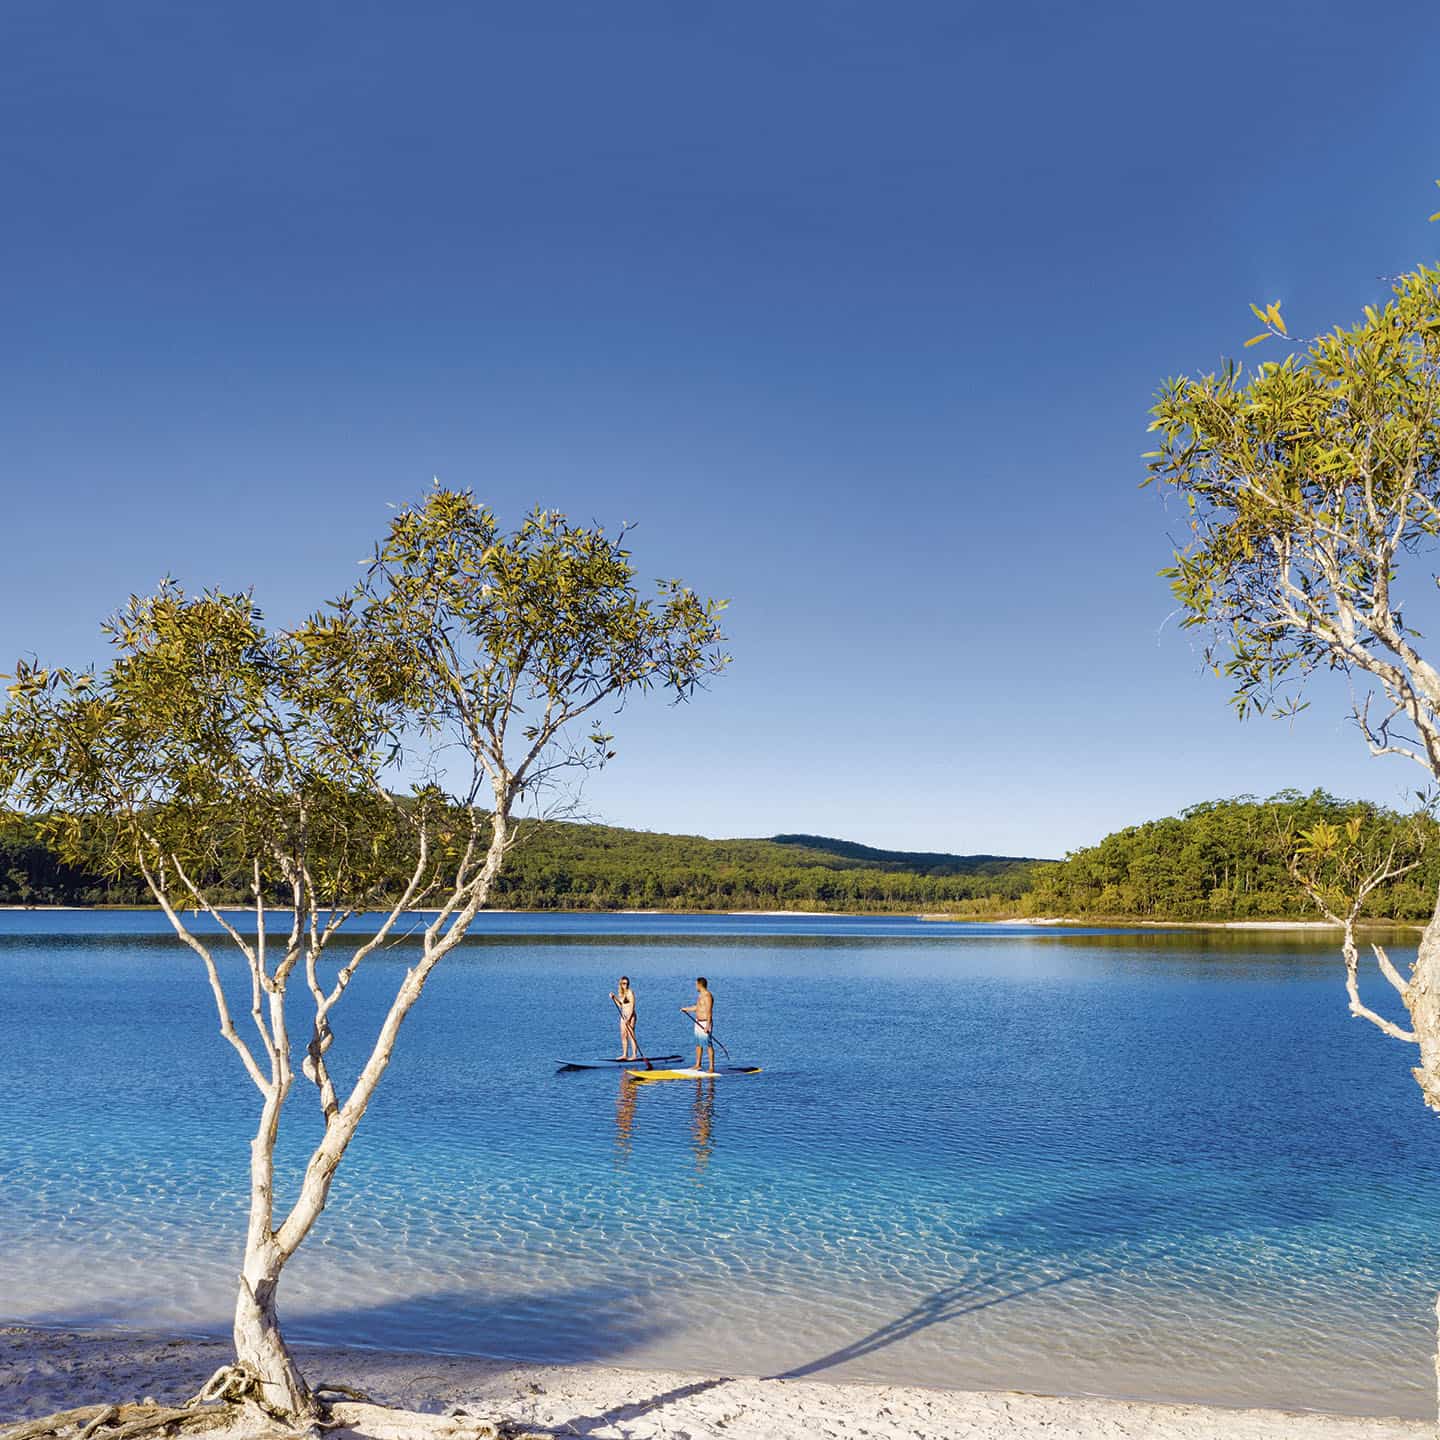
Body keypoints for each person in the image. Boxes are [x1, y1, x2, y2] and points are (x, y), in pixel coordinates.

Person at [681, 976, 715, 1072]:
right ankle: (698, 1064)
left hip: (705, 1023)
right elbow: (697, 1008)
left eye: (696, 984)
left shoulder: (707, 996)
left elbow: (709, 1011)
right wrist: (686, 1009)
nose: (695, 986)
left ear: (700, 985)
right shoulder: (700, 996)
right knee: (698, 1044)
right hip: (698, 1022)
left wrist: (707, 1025)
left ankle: (711, 1067)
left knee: (708, 1045)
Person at [609, 975, 639, 1060]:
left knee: (631, 1035)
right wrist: (614, 998)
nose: (626, 985)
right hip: (623, 1016)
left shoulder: (630, 992)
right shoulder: (621, 993)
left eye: (627, 983)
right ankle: (625, 1055)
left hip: (631, 1016)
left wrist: (628, 1019)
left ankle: (634, 1055)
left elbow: (632, 1006)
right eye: (624, 983)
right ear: (621, 984)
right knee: (623, 1035)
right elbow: (620, 1005)